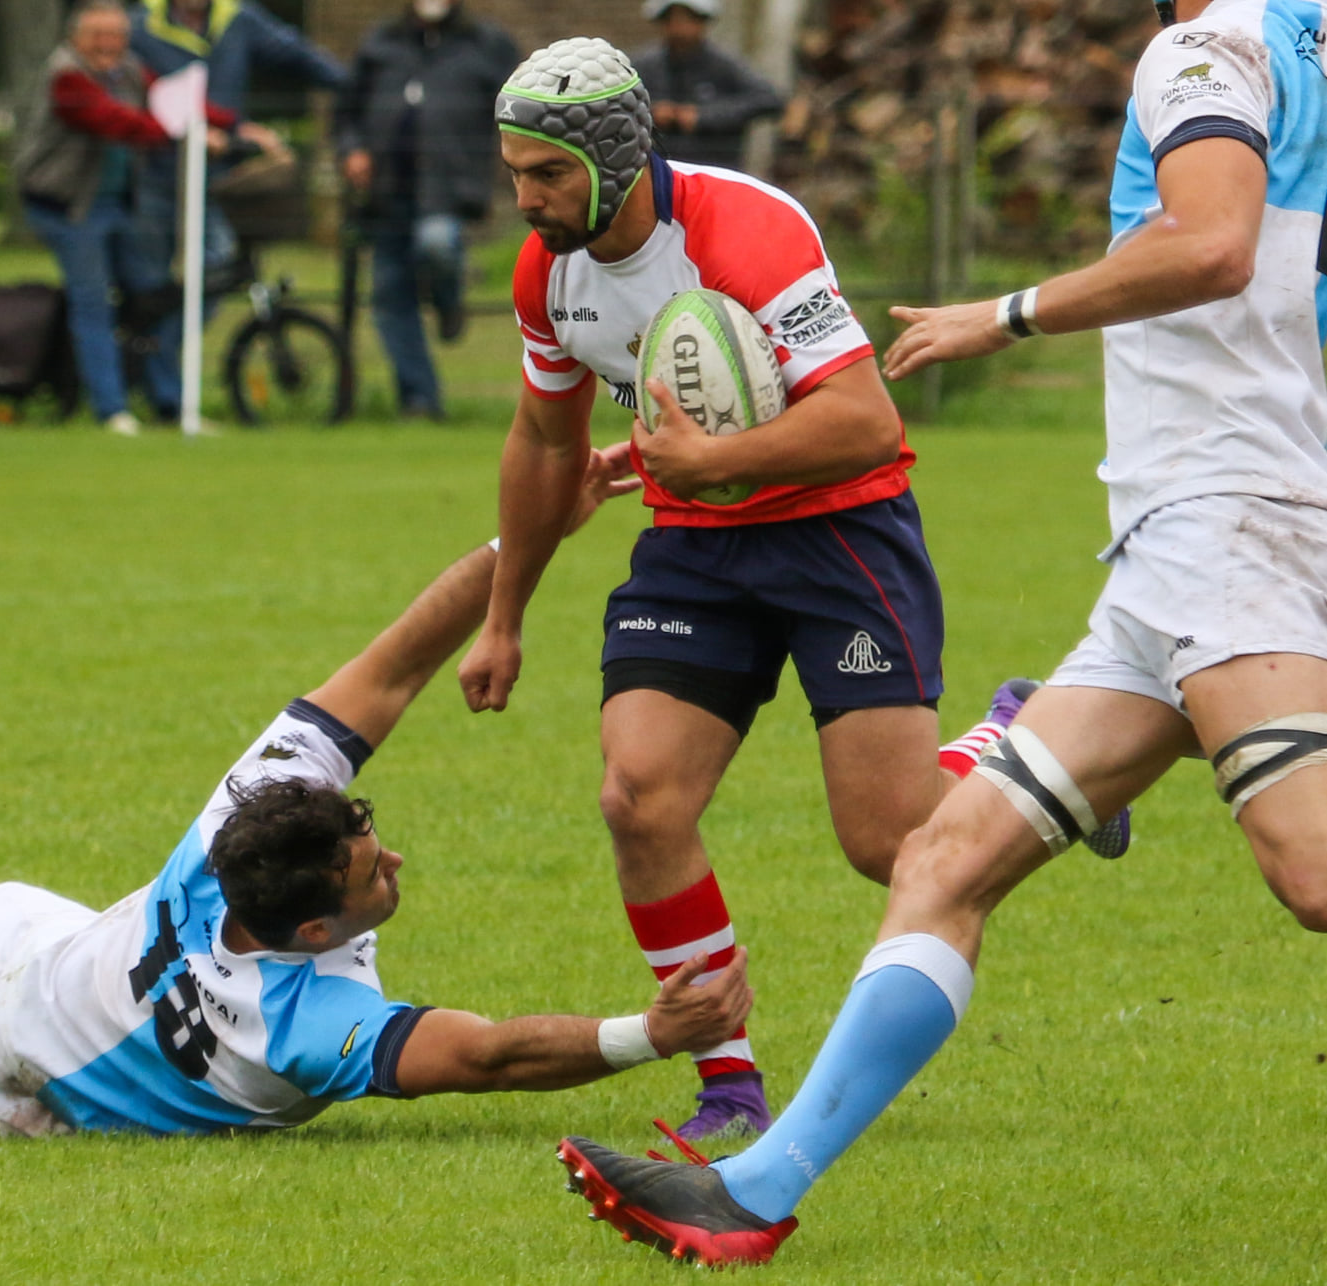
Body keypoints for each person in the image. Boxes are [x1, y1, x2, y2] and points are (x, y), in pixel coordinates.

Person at [553, 0, 1327, 1265]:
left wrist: (1001, 314)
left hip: (1223, 520)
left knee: (1312, 870)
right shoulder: (1307, 46)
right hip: (1185, 549)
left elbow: (1215, 248)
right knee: (942, 861)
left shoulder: (1203, 49)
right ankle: (753, 1188)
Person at [0, 445, 758, 1139]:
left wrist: (523, 538)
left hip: (57, 990)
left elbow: (391, 664)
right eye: (372, 865)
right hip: (63, 1055)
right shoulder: (312, 1023)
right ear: (317, 923)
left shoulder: (242, 820)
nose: (391, 855)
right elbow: (484, 1054)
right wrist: (647, 1031)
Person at [457, 36, 1131, 1147]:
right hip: (694, 547)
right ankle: (728, 1077)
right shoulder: (550, 272)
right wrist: (504, 615)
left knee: (895, 841)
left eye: (548, 174)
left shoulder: (744, 230)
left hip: (837, 533)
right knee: (638, 795)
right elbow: (542, 440)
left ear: (617, 158)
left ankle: (1023, 737)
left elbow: (867, 419)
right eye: (514, 171)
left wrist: (715, 457)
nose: (525, 199)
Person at [12, 0, 224, 433]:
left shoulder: (129, 69)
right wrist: (183, 132)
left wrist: (233, 126)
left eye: (117, 35)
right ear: (76, 38)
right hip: (69, 208)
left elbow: (172, 100)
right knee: (94, 303)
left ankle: (170, 404)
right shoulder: (66, 75)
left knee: (152, 298)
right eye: (98, 36)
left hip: (118, 205)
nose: (109, 45)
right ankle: (112, 409)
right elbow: (116, 122)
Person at [334, 0, 519, 419]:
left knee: (436, 244)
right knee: (390, 298)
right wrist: (352, 150)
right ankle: (419, 399)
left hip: (448, 188)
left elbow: (522, 105)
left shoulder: (485, 44)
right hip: (385, 193)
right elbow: (346, 112)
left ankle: (448, 300)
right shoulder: (380, 42)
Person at [128, 0, 346, 275]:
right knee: (149, 274)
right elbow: (128, 90)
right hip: (154, 170)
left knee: (219, 264)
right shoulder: (140, 24)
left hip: (220, 175)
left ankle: (182, 319)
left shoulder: (238, 18)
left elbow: (297, 54)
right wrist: (188, 128)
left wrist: (358, 86)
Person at [631, 0, 782, 172]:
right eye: (671, 20)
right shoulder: (644, 65)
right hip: (657, 171)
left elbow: (769, 99)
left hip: (715, 168)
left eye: (687, 20)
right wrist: (651, 111)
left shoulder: (724, 65)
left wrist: (703, 116)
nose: (678, 28)